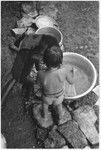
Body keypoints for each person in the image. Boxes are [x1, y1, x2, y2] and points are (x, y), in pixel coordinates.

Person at [37, 45, 75, 124]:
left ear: (44, 61)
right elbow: (71, 82)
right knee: (59, 106)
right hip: (59, 97)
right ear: (61, 61)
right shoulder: (64, 71)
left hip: (47, 98)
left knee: (44, 105)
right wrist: (72, 73)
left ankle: (45, 117)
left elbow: (38, 84)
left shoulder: (40, 73)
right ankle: (60, 116)